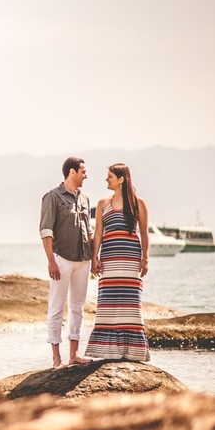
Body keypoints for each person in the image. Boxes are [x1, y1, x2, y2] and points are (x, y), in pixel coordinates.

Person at [83, 163, 151, 361]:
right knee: (108, 302)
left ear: (121, 179)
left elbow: (145, 233)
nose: (106, 179)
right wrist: (94, 257)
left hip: (130, 259)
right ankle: (107, 351)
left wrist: (145, 258)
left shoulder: (138, 203)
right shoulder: (103, 204)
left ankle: (132, 352)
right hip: (109, 259)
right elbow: (98, 234)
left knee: (130, 303)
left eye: (110, 176)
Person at [39, 157, 93, 368]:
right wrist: (51, 261)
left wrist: (95, 258)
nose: (86, 176)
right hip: (61, 259)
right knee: (56, 307)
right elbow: (45, 231)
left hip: (83, 260)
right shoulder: (52, 197)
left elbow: (89, 231)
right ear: (72, 172)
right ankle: (56, 359)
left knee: (78, 307)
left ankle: (74, 354)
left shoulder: (85, 199)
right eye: (83, 171)